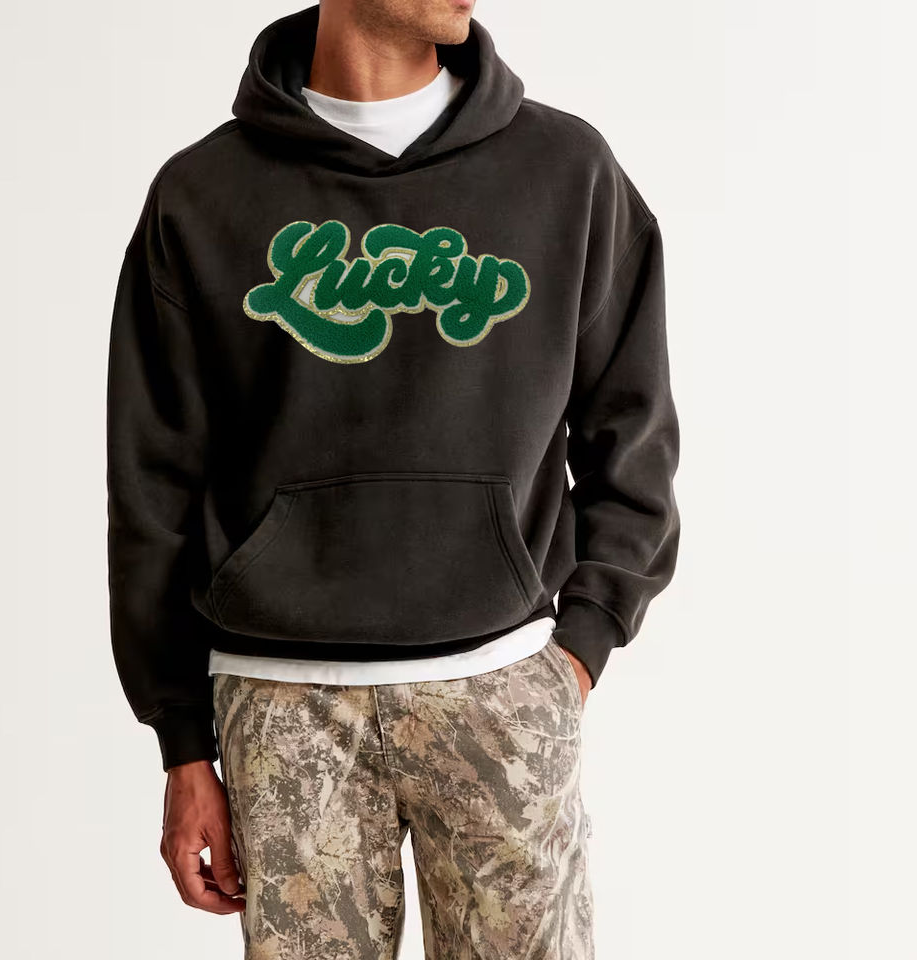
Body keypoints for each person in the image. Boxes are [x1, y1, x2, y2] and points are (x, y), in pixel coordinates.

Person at [105, 1, 681, 956]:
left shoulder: (566, 171)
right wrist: (181, 740)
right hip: (281, 705)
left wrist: (581, 643)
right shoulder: (202, 194)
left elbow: (634, 431)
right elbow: (151, 484)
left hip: (501, 686)